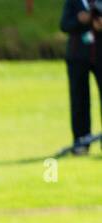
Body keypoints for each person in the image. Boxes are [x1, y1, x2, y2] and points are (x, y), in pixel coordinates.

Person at [62, 0, 102, 154]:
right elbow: (64, 25)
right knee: (79, 101)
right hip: (78, 58)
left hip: (100, 56)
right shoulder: (74, 2)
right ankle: (81, 142)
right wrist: (79, 20)